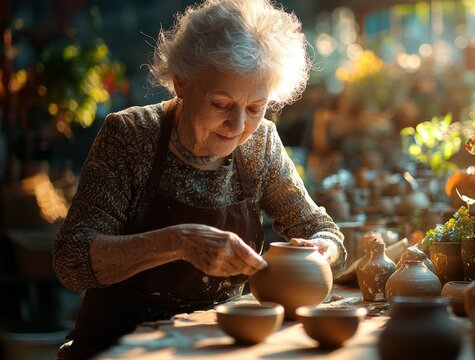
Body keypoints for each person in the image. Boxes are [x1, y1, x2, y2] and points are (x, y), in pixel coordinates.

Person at [53, 0, 346, 358]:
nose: (238, 127)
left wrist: (320, 251)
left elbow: (322, 229)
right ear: (182, 83)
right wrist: (178, 242)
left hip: (218, 345)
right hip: (117, 347)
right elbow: (71, 261)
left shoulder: (260, 143)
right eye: (221, 104)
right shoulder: (130, 136)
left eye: (256, 108)